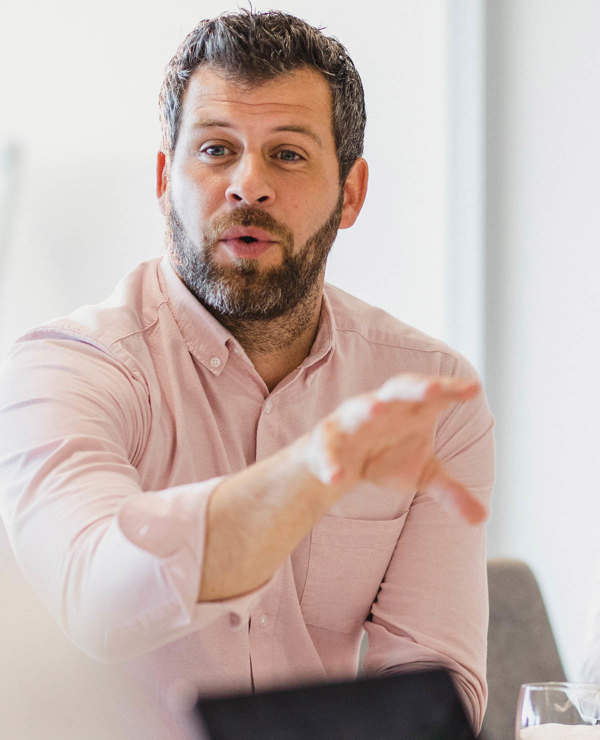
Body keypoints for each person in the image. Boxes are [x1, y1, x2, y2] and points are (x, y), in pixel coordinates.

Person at [0, 10, 494, 739]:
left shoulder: (428, 394)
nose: (247, 184)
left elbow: (430, 687)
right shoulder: (69, 367)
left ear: (350, 193)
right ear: (167, 177)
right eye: (216, 149)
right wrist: (311, 474)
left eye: (288, 155)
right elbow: (96, 598)